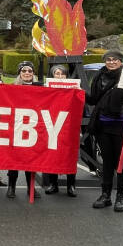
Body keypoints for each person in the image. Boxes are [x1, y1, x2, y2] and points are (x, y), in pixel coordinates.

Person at [86, 50, 123, 212]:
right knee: (107, 162)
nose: (111, 62)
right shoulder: (99, 77)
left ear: (122, 62)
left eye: (115, 60)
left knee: (122, 162)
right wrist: (76, 91)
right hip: (103, 125)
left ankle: (121, 196)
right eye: (108, 60)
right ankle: (106, 195)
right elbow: (94, 99)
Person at [40, 64, 79, 198]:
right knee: (53, 154)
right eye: (57, 74)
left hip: (68, 125)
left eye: (63, 74)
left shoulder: (74, 89)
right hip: (51, 124)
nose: (60, 76)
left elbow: (81, 105)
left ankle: (71, 185)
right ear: (52, 75)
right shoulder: (46, 89)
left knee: (70, 155)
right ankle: (53, 184)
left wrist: (78, 92)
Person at [6, 61, 42, 200]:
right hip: (16, 127)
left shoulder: (40, 88)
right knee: (13, 159)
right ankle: (11, 187)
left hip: (32, 128)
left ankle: (31, 188)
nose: (27, 73)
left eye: (30, 71)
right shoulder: (12, 88)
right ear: (19, 73)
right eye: (24, 71)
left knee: (30, 160)